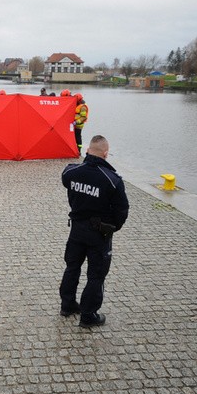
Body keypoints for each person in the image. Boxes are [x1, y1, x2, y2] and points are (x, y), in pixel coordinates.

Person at [60, 135, 129, 328]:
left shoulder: (71, 173)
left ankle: (67, 305)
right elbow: (122, 210)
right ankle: (88, 315)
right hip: (99, 235)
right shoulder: (112, 180)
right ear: (106, 154)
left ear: (88, 151)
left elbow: (67, 179)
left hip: (76, 230)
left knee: (72, 267)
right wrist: (113, 227)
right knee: (96, 275)